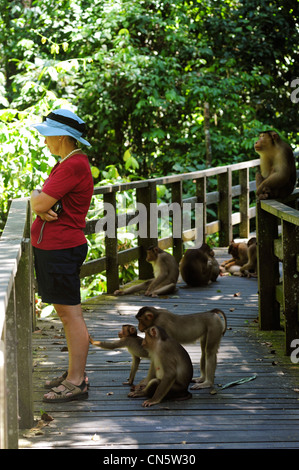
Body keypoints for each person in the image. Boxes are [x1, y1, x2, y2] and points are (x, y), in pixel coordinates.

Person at [30, 108, 94, 402]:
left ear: (62, 136)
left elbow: (41, 202)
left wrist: (37, 201)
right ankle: (73, 373)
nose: (45, 141)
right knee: (68, 315)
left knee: (71, 316)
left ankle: (77, 380)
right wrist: (40, 204)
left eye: (47, 135)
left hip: (61, 249)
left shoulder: (73, 165)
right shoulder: (69, 162)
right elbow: (43, 204)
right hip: (56, 249)